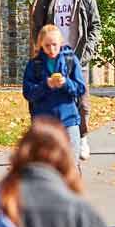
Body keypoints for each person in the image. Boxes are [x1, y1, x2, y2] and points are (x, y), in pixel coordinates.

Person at [31, 0, 102, 160]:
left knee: (81, 100)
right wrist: (40, 50)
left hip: (77, 56)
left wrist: (86, 52)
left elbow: (95, 27)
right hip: (53, 55)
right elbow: (37, 27)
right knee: (48, 97)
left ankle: (82, 138)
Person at [22, 24, 87, 153]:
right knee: (45, 164)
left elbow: (80, 89)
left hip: (69, 120)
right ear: (40, 44)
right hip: (43, 123)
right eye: (47, 45)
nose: (51, 49)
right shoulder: (35, 64)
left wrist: (66, 83)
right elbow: (28, 93)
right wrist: (46, 85)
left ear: (60, 43)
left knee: (71, 163)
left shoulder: (70, 60)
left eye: (54, 45)